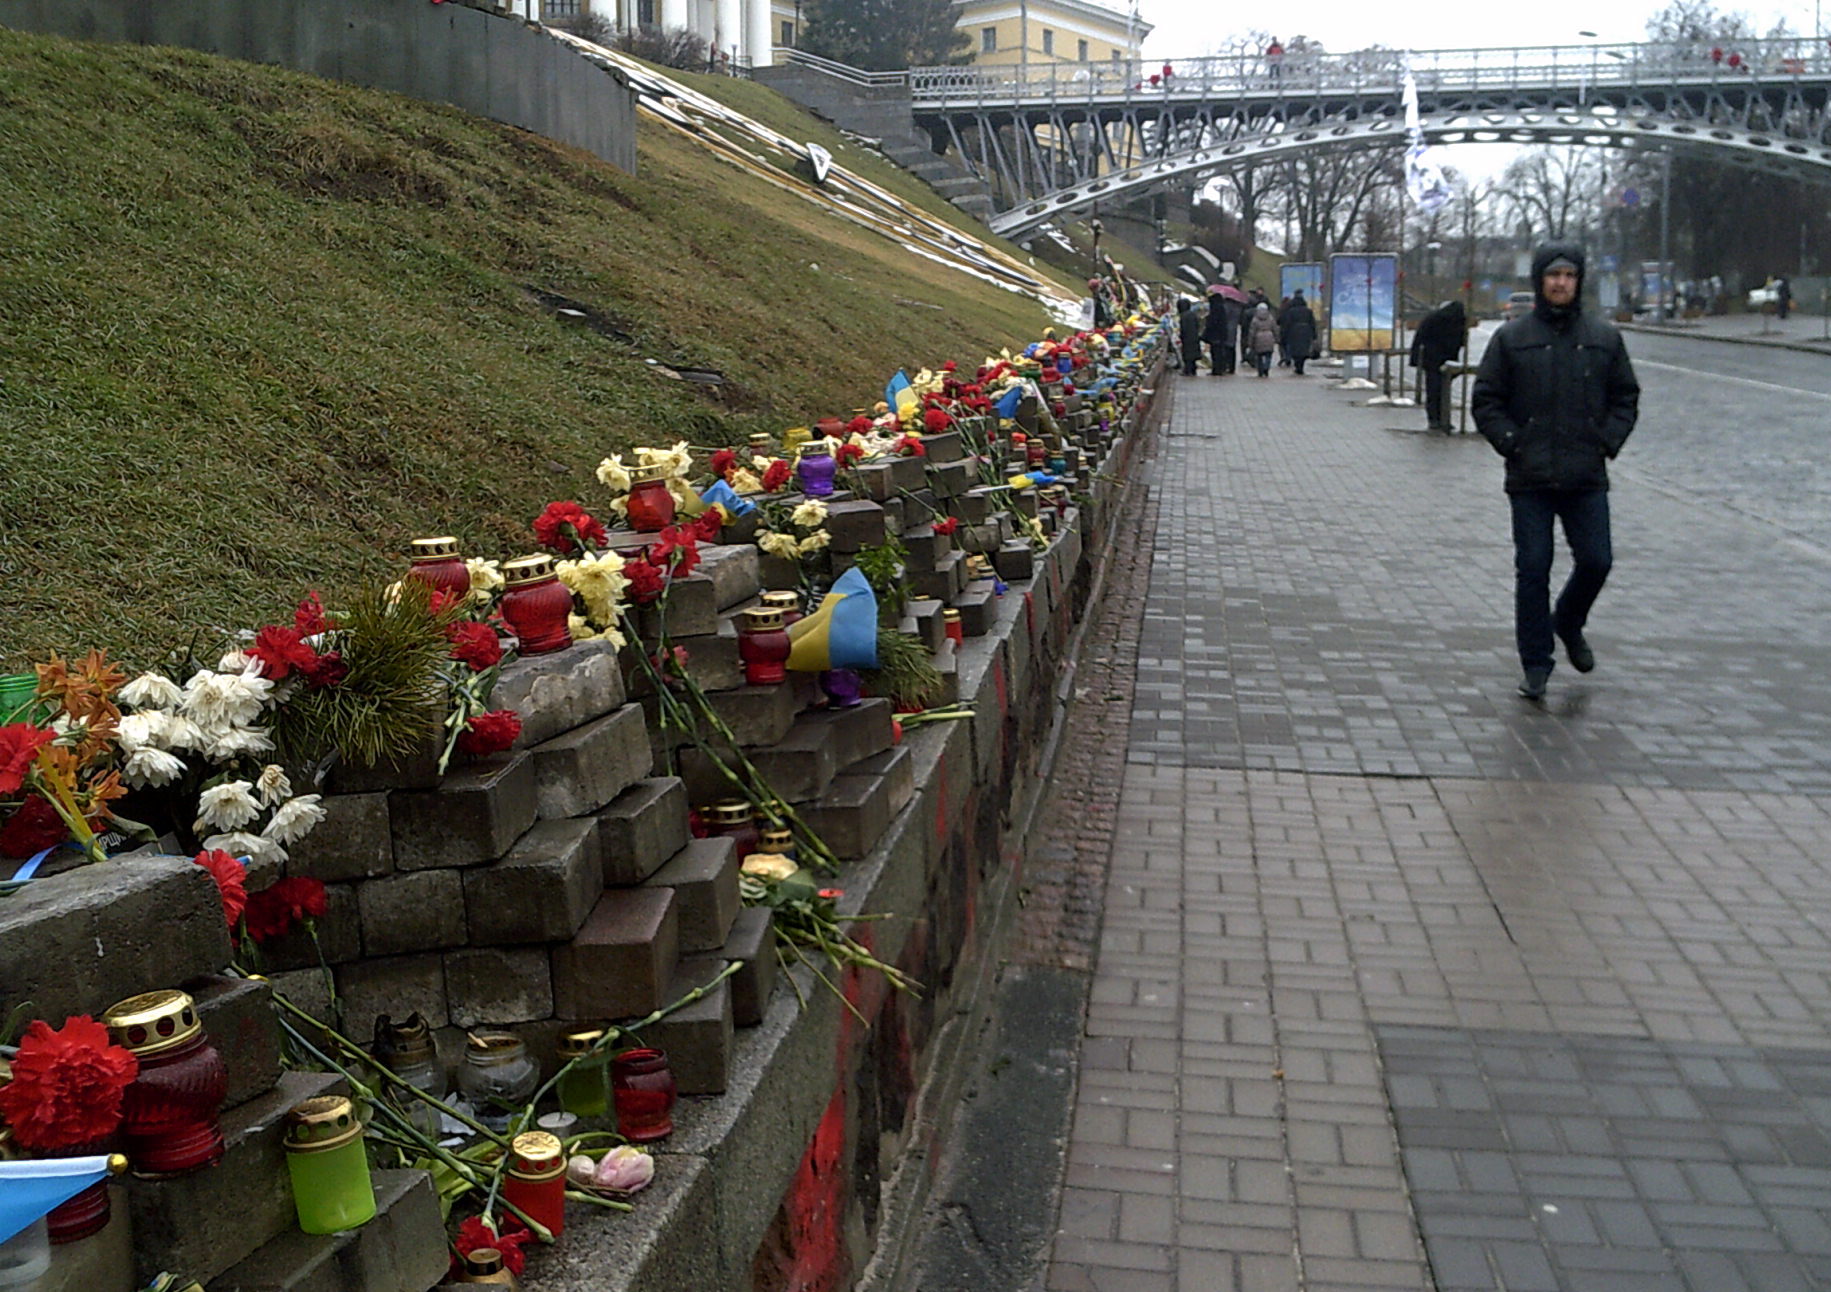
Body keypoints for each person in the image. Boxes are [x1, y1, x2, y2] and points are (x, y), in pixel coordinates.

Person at [1472, 242, 1640, 701]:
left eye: (1568, 275)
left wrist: (1606, 442)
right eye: (1553, 275)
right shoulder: (1513, 338)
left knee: (1597, 560)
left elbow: (1625, 397)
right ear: (1540, 281)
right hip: (1530, 477)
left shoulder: (1603, 338)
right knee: (1532, 568)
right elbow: (1486, 400)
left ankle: (1567, 619)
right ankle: (1536, 662)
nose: (1561, 283)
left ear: (1578, 281)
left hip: (1585, 475)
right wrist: (1512, 443)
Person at [1409, 299, 1468, 429]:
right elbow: (1462, 342)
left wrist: (1414, 358)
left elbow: (1420, 337)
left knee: (1433, 390)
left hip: (1431, 359)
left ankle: (1434, 419)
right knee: (1444, 391)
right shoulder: (1459, 321)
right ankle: (1444, 419)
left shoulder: (1432, 318)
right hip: (1448, 360)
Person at [1280, 291, 1317, 376]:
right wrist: (1314, 335)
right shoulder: (1308, 311)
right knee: (1304, 350)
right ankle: (1301, 366)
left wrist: (1284, 335)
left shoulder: (1291, 311)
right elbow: (1312, 323)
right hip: (1306, 332)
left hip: (1294, 332)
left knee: (1295, 350)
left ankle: (1297, 366)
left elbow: (1287, 324)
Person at [1200, 288, 1233, 375]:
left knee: (1215, 353)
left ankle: (1216, 370)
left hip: (1215, 335)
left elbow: (1212, 322)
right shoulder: (1222, 307)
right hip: (1221, 335)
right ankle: (1220, 368)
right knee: (1219, 352)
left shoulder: (1215, 308)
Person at [1245, 302, 1279, 377]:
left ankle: (1260, 370)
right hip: (1269, 337)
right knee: (1268, 354)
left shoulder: (1255, 319)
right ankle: (1266, 367)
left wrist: (1250, 343)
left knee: (1259, 356)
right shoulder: (1271, 318)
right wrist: (1277, 339)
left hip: (1258, 338)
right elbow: (1275, 329)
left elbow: (1252, 332)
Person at [1178, 297, 1204, 376]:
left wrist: (1181, 336)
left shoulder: (1183, 316)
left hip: (1187, 338)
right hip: (1194, 337)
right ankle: (1193, 370)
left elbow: (1183, 328)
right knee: (1193, 355)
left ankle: (1188, 370)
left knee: (1187, 355)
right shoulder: (1193, 314)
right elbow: (1198, 325)